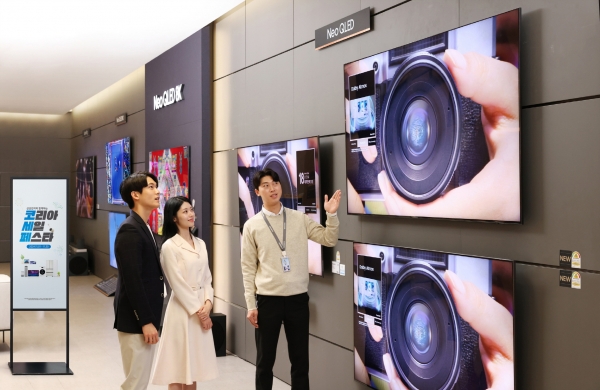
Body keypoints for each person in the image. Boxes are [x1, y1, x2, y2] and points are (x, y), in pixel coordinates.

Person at [241, 168, 342, 390]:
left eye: (275, 183)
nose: (272, 188)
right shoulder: (252, 226)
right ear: (258, 191)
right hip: (268, 300)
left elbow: (328, 238)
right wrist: (251, 304)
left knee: (300, 363)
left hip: (297, 299)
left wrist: (331, 215)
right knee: (265, 363)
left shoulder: (298, 219)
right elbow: (247, 268)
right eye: (266, 185)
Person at [151, 196, 218, 389]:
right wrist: (200, 312)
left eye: (191, 210)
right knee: (177, 368)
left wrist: (208, 303)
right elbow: (177, 285)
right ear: (174, 217)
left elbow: (207, 278)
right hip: (182, 312)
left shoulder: (201, 243)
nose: (191, 215)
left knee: (193, 368)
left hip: (201, 308)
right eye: (185, 211)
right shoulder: (169, 247)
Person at [113, 171, 164, 390]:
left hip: (143, 319)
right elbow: (133, 281)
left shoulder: (143, 227)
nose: (157, 191)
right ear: (135, 194)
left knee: (139, 381)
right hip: (136, 321)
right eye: (151, 187)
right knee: (135, 383)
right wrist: (145, 321)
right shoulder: (130, 230)